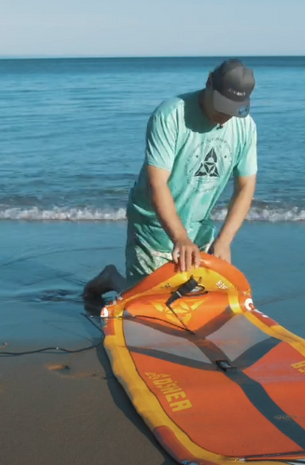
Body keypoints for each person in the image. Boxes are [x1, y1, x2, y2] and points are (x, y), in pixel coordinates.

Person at [83, 59, 258, 308]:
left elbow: (245, 186)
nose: (224, 116)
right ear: (209, 82)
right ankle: (111, 279)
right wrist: (180, 238)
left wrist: (225, 239)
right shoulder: (171, 115)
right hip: (153, 220)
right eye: (222, 106)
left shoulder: (245, 127)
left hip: (199, 223)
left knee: (196, 297)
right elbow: (157, 184)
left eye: (233, 109)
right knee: (146, 304)